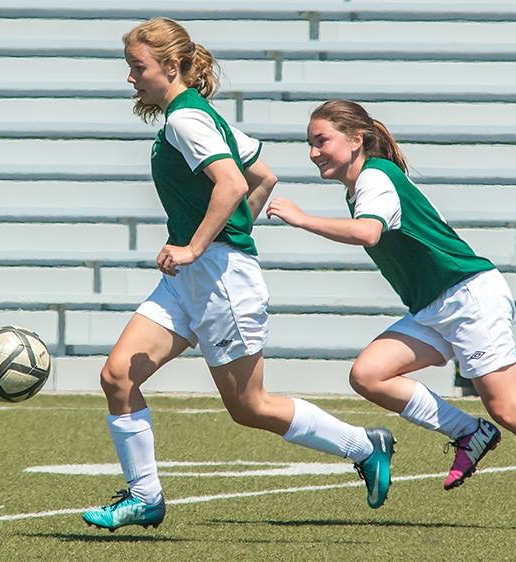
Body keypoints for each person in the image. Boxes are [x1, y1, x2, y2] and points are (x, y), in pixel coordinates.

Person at [82, 21, 395, 532]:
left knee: (250, 407)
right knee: (118, 376)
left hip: (220, 278)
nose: (131, 77)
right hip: (196, 278)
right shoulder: (190, 117)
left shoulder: (187, 120)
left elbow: (231, 183)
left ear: (172, 66)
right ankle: (145, 497)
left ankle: (365, 446)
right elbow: (262, 176)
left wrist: (199, 246)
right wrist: (224, 238)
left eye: (138, 67)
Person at [265, 99, 516, 533]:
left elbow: (368, 231)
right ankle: (468, 433)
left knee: (509, 409)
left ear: (356, 139)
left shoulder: (376, 177)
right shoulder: (365, 181)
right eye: (310, 143)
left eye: (321, 140)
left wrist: (303, 219)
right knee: (369, 374)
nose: (313, 152)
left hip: (468, 298)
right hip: (437, 305)